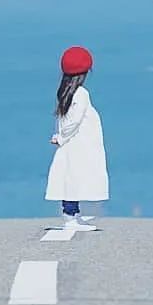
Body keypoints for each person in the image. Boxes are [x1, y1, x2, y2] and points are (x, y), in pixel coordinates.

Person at [45, 45, 109, 230]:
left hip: (73, 145)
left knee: (72, 179)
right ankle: (70, 217)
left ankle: (73, 214)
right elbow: (73, 121)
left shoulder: (66, 91)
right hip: (78, 145)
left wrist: (60, 136)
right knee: (75, 179)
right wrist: (62, 137)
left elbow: (65, 120)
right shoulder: (81, 94)